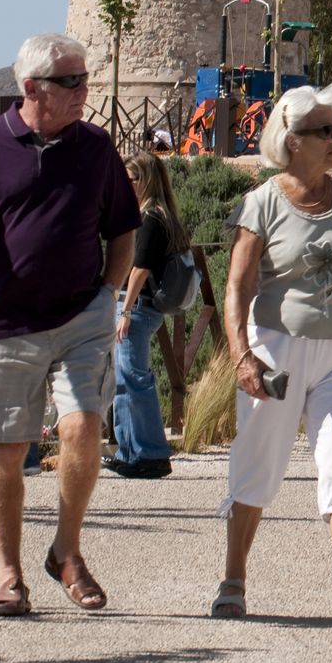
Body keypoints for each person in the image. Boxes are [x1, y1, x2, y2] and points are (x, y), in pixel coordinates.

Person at [0, 32, 141, 617]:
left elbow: (124, 228)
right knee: (6, 449)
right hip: (6, 320)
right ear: (32, 89)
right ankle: (10, 575)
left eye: (85, 79)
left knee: (83, 429)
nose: (85, 91)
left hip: (81, 315)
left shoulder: (97, 148)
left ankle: (67, 552)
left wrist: (107, 295)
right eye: (72, 81)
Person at [214, 83, 332, 628]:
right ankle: (234, 578)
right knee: (259, 461)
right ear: (292, 139)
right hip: (275, 348)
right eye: (325, 130)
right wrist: (242, 356)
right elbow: (237, 288)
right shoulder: (262, 203)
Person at [106, 152, 187, 479]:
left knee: (133, 379)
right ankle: (129, 452)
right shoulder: (157, 215)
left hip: (136, 306)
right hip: (138, 306)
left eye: (133, 178)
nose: (127, 185)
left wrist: (124, 310)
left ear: (148, 180)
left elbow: (139, 269)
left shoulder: (151, 218)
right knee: (125, 378)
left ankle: (150, 453)